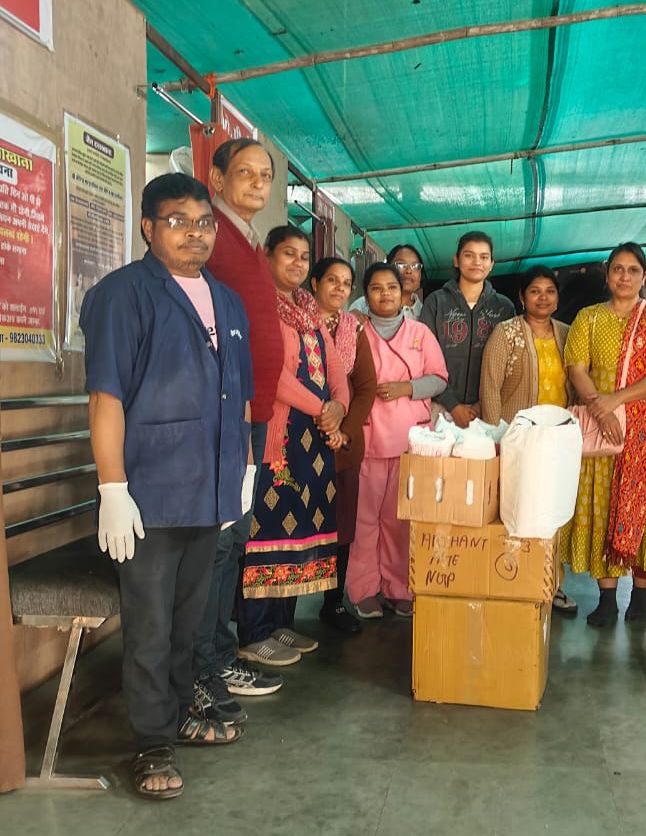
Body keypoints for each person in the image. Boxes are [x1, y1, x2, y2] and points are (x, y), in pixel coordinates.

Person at [80, 173, 252, 799]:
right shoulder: (122, 295)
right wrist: (113, 488)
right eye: (178, 221)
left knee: (191, 619)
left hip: (209, 488)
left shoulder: (227, 301)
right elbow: (106, 397)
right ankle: (151, 741)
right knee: (150, 626)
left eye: (204, 222)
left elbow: (241, 398)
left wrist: (243, 472)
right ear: (148, 227)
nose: (195, 234)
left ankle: (179, 711)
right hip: (148, 493)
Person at [192, 138, 285, 729]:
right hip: (225, 417)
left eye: (265, 175)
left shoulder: (248, 240)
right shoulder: (211, 236)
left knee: (234, 540)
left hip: (251, 416)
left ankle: (218, 658)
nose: (257, 182)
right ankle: (204, 667)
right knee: (218, 544)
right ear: (218, 178)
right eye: (245, 172)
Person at [236, 227, 350, 657]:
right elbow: (272, 373)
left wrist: (338, 406)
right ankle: (253, 635)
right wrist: (323, 409)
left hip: (314, 441)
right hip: (278, 438)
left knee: (299, 529)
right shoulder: (260, 306)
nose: (298, 263)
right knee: (267, 530)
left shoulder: (308, 310)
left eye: (304, 256)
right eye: (289, 254)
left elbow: (335, 368)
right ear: (267, 255)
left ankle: (281, 625)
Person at [564, 242, 646, 626]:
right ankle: (606, 599)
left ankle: (640, 595)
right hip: (602, 428)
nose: (624, 276)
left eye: (633, 270)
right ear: (607, 275)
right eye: (617, 269)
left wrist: (614, 401)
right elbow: (576, 367)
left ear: (644, 276)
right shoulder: (588, 318)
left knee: (645, 506)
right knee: (604, 504)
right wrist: (599, 408)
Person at [347, 263, 448, 618]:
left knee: (400, 520)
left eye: (391, 287)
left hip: (409, 441)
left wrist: (407, 388)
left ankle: (399, 586)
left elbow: (440, 378)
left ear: (402, 290)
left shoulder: (420, 333)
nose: (385, 294)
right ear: (365, 295)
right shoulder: (354, 330)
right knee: (364, 521)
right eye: (376, 288)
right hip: (368, 439)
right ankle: (363, 590)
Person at [479, 265, 577, 614]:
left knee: (555, 512)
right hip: (518, 442)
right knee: (517, 511)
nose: (543, 298)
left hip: (557, 444)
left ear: (558, 298)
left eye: (550, 291)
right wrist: (495, 437)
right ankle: (515, 581)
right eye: (535, 291)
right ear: (522, 297)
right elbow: (490, 386)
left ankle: (553, 585)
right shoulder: (506, 333)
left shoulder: (567, 333)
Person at [309, 256, 377, 633]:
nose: (339, 288)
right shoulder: (297, 323)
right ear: (314, 284)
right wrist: (323, 425)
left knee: (341, 527)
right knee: (297, 524)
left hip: (343, 446)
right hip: (301, 441)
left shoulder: (355, 329)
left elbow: (365, 388)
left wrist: (344, 433)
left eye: (346, 283)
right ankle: (283, 609)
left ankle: (333, 604)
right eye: (331, 280)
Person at [420, 231, 515, 428]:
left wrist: (482, 404)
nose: (477, 262)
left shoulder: (504, 307)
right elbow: (424, 359)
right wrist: (453, 405)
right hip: (440, 407)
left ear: (491, 264)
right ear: (456, 260)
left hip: (488, 409)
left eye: (484, 257)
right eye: (469, 255)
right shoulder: (436, 302)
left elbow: (510, 363)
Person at [349, 243, 425, 319]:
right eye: (401, 265)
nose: (409, 271)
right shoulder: (362, 305)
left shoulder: (424, 312)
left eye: (415, 266)